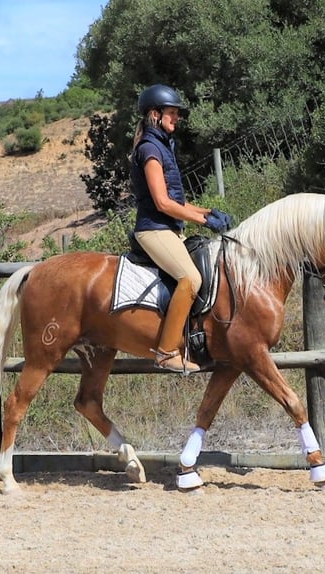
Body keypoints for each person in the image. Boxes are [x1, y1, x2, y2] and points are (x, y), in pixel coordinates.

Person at [130, 84, 233, 374]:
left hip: (171, 229)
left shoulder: (163, 147)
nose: (177, 118)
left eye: (177, 114)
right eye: (172, 113)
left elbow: (179, 201)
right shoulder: (150, 150)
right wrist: (202, 222)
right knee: (190, 278)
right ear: (155, 114)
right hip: (154, 230)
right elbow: (163, 203)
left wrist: (208, 212)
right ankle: (165, 352)